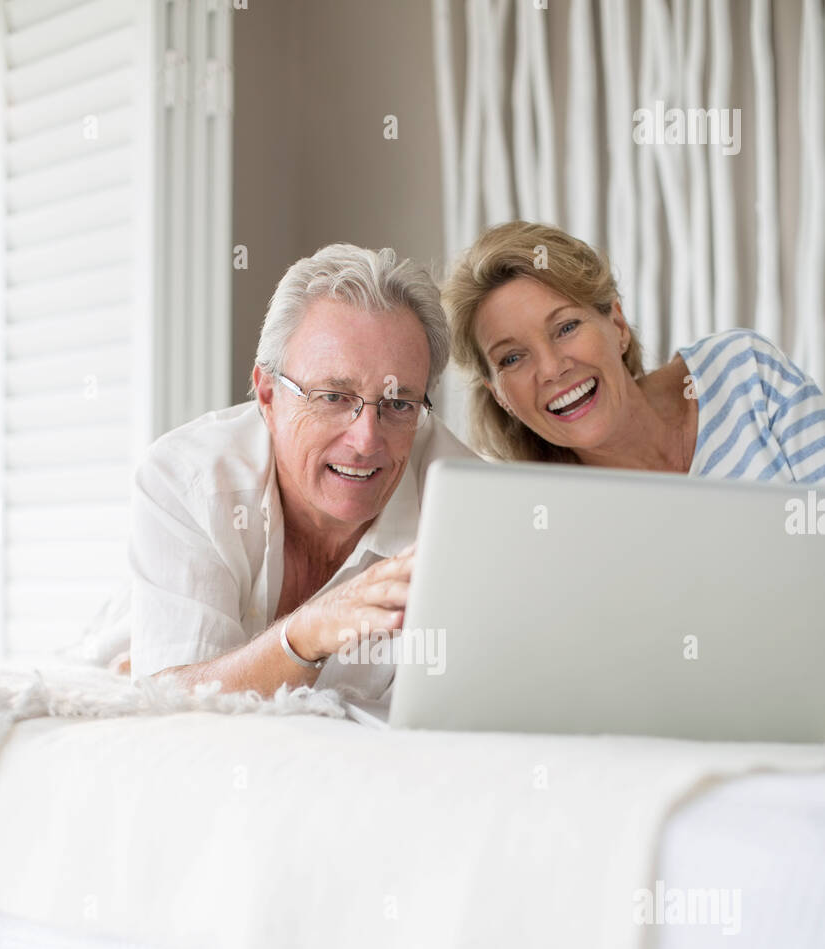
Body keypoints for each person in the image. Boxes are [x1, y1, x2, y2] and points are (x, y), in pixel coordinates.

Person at [128, 243, 475, 698]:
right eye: (333, 397)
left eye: (397, 404)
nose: (367, 440)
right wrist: (304, 635)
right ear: (268, 395)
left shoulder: (464, 504)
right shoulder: (187, 479)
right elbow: (169, 705)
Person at [443, 220, 825, 484]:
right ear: (499, 395)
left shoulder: (743, 373)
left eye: (566, 327)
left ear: (617, 325)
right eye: (512, 358)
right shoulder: (552, 522)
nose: (551, 369)